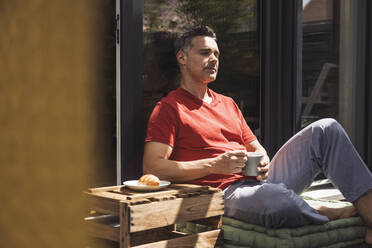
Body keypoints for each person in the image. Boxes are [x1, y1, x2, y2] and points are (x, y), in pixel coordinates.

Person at [142, 26, 372, 244]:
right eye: (205, 52)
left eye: (216, 54)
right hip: (225, 191)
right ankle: (339, 212)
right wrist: (214, 165)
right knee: (276, 202)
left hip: (260, 182)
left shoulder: (228, 104)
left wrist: (262, 161)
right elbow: (153, 167)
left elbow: (257, 149)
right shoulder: (169, 108)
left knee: (326, 128)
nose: (214, 59)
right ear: (182, 57)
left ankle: (368, 212)